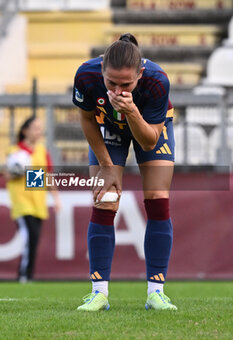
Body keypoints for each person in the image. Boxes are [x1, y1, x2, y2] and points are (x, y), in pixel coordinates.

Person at [73, 33, 177, 311]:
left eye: (127, 84)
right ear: (101, 70)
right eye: (111, 83)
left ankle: (156, 292)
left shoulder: (157, 81)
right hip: (106, 127)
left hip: (149, 128)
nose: (118, 91)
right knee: (105, 197)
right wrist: (107, 166)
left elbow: (148, 141)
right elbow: (85, 118)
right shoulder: (85, 75)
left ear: (140, 74)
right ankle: (99, 293)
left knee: (157, 196)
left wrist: (131, 111)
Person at [5, 116, 60, 282]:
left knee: (34, 239)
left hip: (38, 203)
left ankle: (27, 274)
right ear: (25, 130)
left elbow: (48, 176)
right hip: (22, 202)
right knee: (29, 237)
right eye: (35, 128)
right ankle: (24, 275)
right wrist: (15, 172)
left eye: (40, 128)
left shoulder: (42, 152)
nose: (39, 131)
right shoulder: (15, 152)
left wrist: (56, 198)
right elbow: (7, 176)